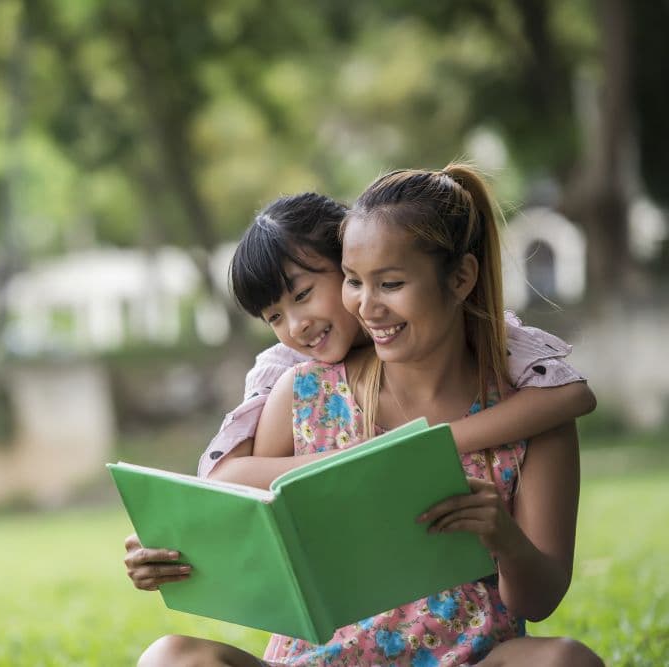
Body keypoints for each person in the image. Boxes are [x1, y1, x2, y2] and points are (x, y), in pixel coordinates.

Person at [126, 170, 603, 665]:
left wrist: (503, 536)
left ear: (461, 278)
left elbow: (539, 601)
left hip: (467, 655)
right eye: (354, 281)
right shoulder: (302, 394)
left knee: (564, 659)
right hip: (317, 659)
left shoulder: (528, 412)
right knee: (171, 656)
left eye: (390, 284)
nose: (368, 307)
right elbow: (252, 529)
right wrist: (177, 553)